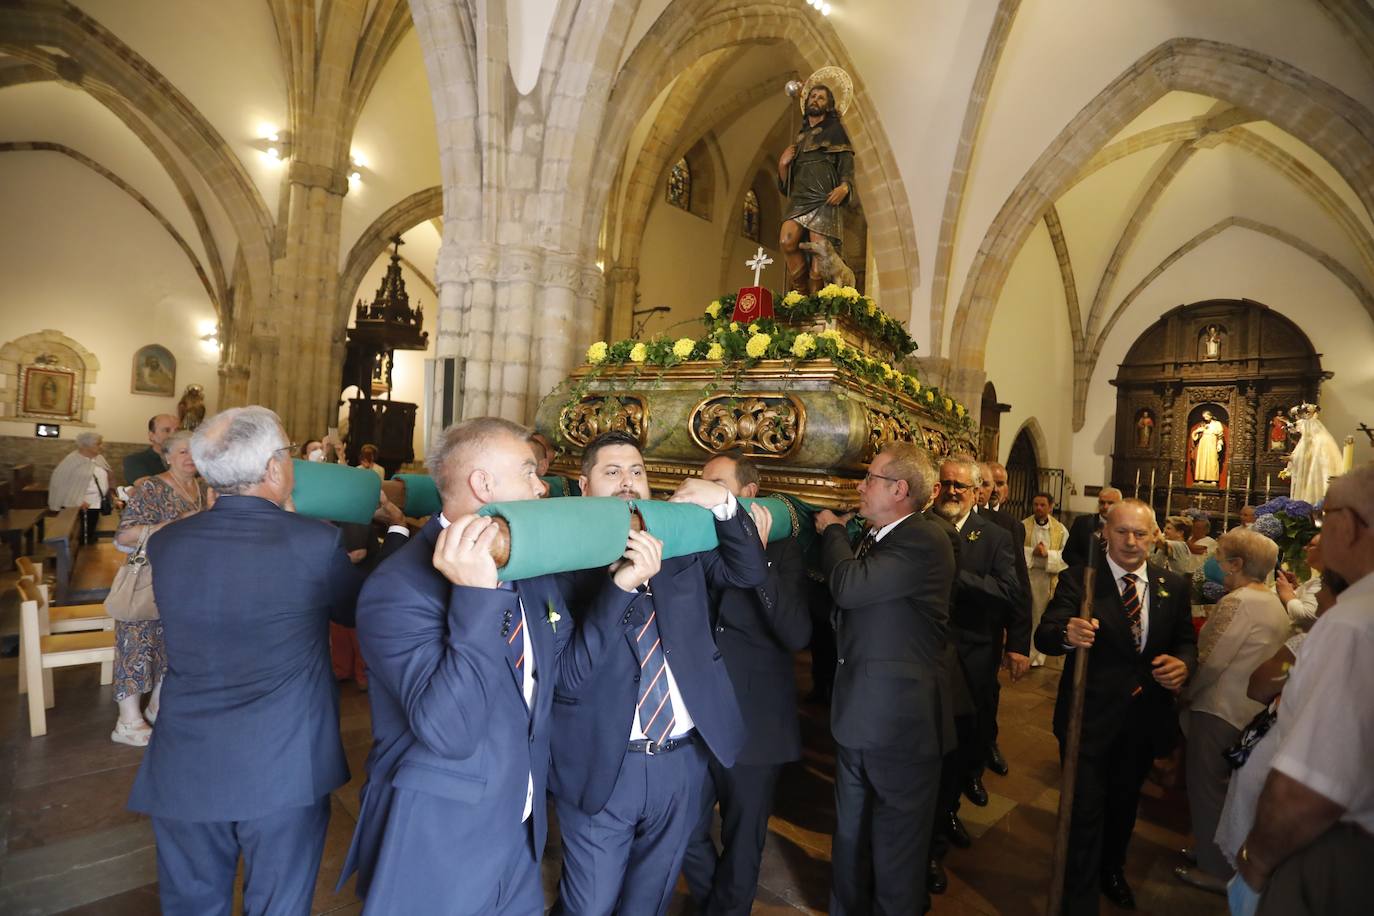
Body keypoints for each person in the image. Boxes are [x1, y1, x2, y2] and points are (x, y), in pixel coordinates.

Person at [340, 418, 651, 914]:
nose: (541, 485)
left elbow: (565, 677)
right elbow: (451, 732)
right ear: (483, 484)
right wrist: (475, 597)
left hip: (519, 826)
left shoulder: (527, 564)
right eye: (528, 471)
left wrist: (619, 589)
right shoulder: (398, 588)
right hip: (441, 838)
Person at [127, 406, 371, 916]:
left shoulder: (170, 543)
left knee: (192, 903)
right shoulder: (315, 540)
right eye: (286, 453)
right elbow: (352, 611)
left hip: (186, 758)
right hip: (283, 760)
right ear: (273, 469)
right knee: (278, 904)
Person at [550, 431, 768, 916]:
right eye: (612, 472)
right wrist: (621, 586)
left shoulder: (676, 543)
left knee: (650, 901)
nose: (628, 482)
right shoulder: (562, 557)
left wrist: (726, 504)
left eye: (637, 471)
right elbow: (569, 675)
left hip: (681, 761)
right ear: (584, 485)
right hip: (601, 760)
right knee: (589, 905)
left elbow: (748, 573)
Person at [1035, 498, 1197, 914]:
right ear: (1104, 532)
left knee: (1124, 804)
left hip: (1143, 721)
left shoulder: (1172, 585)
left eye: (1140, 533)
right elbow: (1047, 634)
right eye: (1121, 531)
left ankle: (1112, 869)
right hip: (1088, 719)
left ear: (1155, 536)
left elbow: (1185, 641)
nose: (1130, 540)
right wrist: (1067, 633)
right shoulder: (1081, 581)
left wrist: (1184, 664)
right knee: (1084, 809)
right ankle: (1079, 893)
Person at [814, 442, 954, 915]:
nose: (860, 485)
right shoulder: (877, 535)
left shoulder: (923, 537)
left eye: (869, 477)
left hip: (900, 727)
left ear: (899, 489)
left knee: (896, 853)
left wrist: (832, 531)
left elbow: (850, 588)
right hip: (859, 715)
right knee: (851, 839)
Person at [1235, 463, 1374, 915]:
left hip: (1336, 851)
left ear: (1349, 526)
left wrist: (1253, 866)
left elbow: (1308, 790)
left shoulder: (1352, 625)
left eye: (1324, 516)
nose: (1319, 529)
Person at [682, 453, 810, 916]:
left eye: (716, 485)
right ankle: (716, 903)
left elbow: (796, 633)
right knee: (684, 831)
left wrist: (754, 552)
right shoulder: (695, 540)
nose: (704, 492)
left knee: (743, 838)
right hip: (695, 718)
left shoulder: (784, 550)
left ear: (748, 494)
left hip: (755, 723)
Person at [1175, 529, 1291, 893]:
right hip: (1247, 711)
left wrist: (1184, 693)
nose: (1215, 562)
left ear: (1237, 564)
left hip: (1219, 708)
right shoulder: (1271, 600)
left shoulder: (1238, 601)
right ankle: (1215, 851)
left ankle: (1217, 869)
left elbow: (1210, 660)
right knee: (1225, 793)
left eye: (1221, 556)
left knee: (1206, 788)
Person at [927, 456, 1022, 882]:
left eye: (960, 487)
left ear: (976, 491)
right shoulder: (921, 525)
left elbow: (1008, 592)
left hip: (970, 659)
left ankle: (943, 823)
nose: (951, 492)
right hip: (925, 655)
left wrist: (956, 576)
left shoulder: (997, 538)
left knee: (958, 749)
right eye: (945, 484)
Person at [109, 431, 204, 746]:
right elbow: (124, 537)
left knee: (171, 645)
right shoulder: (151, 486)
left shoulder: (200, 487)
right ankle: (127, 721)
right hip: (147, 575)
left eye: (194, 451)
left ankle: (156, 706)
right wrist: (179, 521)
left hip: (181, 579)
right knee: (136, 642)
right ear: (166, 456)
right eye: (181, 452)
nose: (189, 457)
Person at [977, 461, 1032, 775]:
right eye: (985, 483)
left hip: (987, 628)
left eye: (995, 484)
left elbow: (1020, 586)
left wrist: (1019, 643)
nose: (990, 490)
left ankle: (985, 747)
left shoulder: (1007, 526)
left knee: (986, 695)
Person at [778, 80, 856, 294]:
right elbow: (788, 184)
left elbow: (847, 165)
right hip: (800, 197)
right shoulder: (800, 137)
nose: (815, 100)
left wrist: (845, 187)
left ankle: (814, 306)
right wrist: (783, 164)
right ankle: (800, 293)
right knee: (787, 241)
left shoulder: (836, 132)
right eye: (812, 96)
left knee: (819, 259)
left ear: (828, 105)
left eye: (820, 98)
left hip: (824, 198)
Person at [1024, 492, 1070, 668]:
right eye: (1035, 504)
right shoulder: (1024, 525)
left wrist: (1048, 555)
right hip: (1029, 576)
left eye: (1043, 505)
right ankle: (1023, 652)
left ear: (1051, 507)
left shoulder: (1060, 529)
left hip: (1047, 579)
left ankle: (1037, 655)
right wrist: (1032, 553)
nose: (1038, 508)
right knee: (1027, 616)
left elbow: (1066, 557)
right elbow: (1014, 550)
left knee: (1040, 617)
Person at [47, 431, 112, 545]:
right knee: (81, 537)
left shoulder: (98, 458)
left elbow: (108, 476)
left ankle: (89, 557)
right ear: (86, 445)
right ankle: (80, 559)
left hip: (97, 502)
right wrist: (77, 501)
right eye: (98, 444)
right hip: (81, 505)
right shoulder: (71, 460)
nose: (101, 447)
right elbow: (59, 483)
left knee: (90, 534)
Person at [1063, 487, 1121, 568]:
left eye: (1110, 503)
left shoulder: (1125, 527)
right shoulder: (1082, 523)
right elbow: (1068, 554)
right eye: (1102, 502)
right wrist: (1089, 567)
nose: (1105, 507)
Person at [1274, 534, 1324, 628]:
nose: (1305, 548)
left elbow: (1307, 615)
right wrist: (1296, 589)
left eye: (1311, 545)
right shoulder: (1323, 578)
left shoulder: (1328, 581)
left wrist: (1288, 595)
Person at [123, 414, 179, 484]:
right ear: (152, 435)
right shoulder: (135, 460)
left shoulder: (188, 459)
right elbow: (148, 486)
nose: (173, 435)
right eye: (167, 430)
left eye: (177, 430)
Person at [1191, 411, 1226, 485]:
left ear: (1210, 416)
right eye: (1204, 417)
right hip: (1203, 443)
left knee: (1212, 460)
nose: (1205, 418)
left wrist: (1219, 444)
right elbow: (1194, 437)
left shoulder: (1217, 424)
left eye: (1206, 416)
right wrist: (1198, 430)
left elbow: (1220, 436)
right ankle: (1201, 478)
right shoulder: (1202, 424)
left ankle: (1213, 479)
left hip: (1212, 442)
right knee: (1202, 460)